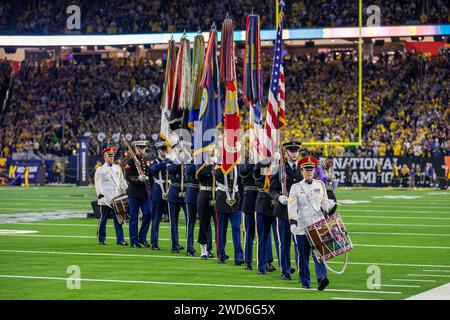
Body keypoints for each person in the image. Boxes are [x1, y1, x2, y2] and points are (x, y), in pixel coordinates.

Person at [288, 156, 336, 291]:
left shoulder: (320, 185)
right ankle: (305, 281)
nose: (309, 172)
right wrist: (292, 222)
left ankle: (322, 278)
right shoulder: (295, 187)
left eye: (311, 169)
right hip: (302, 226)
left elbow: (324, 203)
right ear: (302, 171)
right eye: (307, 170)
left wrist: (330, 205)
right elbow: (291, 206)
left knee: (319, 254)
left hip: (317, 225)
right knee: (303, 256)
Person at [270, 141, 302, 280]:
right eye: (291, 151)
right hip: (283, 211)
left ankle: (302, 270)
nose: (294, 153)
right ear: (286, 152)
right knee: (284, 243)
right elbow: (272, 190)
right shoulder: (279, 169)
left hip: (299, 213)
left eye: (296, 151)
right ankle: (286, 271)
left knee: (299, 244)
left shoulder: (303, 169)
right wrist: (278, 197)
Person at [94, 147, 128, 246]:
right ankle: (101, 239)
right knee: (103, 218)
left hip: (116, 198)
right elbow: (98, 183)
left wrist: (127, 190)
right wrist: (100, 194)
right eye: (109, 156)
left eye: (112, 156)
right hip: (105, 198)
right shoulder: (100, 169)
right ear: (105, 157)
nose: (112, 158)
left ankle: (120, 240)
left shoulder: (118, 168)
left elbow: (121, 182)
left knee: (119, 220)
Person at [214, 164, 244, 265]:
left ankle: (239, 256)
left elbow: (241, 183)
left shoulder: (239, 165)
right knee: (221, 230)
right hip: (222, 199)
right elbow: (217, 175)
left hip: (236, 199)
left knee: (237, 228)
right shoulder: (218, 165)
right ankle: (221, 255)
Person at [253, 156, 279, 275]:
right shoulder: (262, 170)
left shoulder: (280, 170)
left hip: (278, 205)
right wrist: (269, 159)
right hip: (263, 205)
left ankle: (284, 268)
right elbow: (257, 168)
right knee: (262, 238)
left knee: (280, 240)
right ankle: (261, 266)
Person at [125, 140, 152, 248]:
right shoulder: (131, 161)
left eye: (144, 148)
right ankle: (134, 241)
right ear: (136, 149)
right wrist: (137, 178)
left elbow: (149, 173)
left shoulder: (145, 160)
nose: (143, 150)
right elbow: (127, 176)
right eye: (141, 148)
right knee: (134, 217)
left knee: (148, 213)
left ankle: (142, 237)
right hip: (134, 193)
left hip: (145, 193)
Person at [167, 145, 188, 253]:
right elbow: (170, 169)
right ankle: (175, 245)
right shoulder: (170, 158)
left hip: (186, 192)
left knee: (190, 220)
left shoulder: (188, 158)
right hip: (174, 192)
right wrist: (179, 158)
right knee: (173, 221)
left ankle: (190, 246)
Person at [149, 140, 169, 250]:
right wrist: (164, 163)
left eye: (165, 149)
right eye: (162, 150)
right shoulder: (155, 162)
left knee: (172, 219)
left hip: (168, 190)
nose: (164, 151)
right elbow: (152, 170)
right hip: (157, 192)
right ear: (158, 151)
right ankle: (154, 243)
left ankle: (174, 243)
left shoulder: (169, 161)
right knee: (156, 219)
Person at [196, 160, 216, 260]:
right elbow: (200, 175)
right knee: (203, 223)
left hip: (217, 194)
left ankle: (220, 250)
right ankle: (203, 250)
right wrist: (209, 165)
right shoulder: (202, 162)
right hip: (205, 193)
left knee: (219, 224)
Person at [184, 151, 199, 257]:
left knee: (205, 222)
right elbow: (189, 171)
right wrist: (196, 162)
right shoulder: (189, 162)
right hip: (192, 193)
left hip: (203, 193)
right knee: (191, 222)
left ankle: (208, 248)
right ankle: (190, 248)